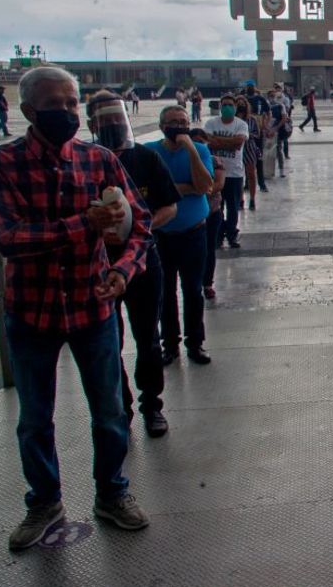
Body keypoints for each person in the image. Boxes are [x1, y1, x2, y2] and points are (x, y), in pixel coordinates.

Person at [0, 67, 152, 549]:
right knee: (35, 416)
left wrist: (122, 272)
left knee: (110, 411)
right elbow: (11, 240)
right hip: (31, 312)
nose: (69, 113)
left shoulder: (98, 160)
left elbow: (139, 228)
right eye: (57, 104)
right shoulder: (1, 164)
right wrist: (84, 223)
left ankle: (112, 493)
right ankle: (44, 501)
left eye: (73, 103)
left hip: (91, 306)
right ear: (30, 111)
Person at [88, 92, 178, 436]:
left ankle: (151, 404)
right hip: (100, 264)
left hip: (142, 260)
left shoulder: (146, 158)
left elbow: (170, 204)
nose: (112, 126)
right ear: (92, 125)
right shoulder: (86, 162)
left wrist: (137, 228)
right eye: (104, 121)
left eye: (116, 119)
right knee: (108, 340)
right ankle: (119, 406)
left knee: (147, 338)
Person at [147, 105, 215, 365]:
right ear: (162, 125)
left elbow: (204, 185)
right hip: (162, 235)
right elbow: (149, 192)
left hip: (193, 233)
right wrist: (185, 189)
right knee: (165, 291)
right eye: (172, 122)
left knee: (193, 290)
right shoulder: (151, 152)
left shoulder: (199, 150)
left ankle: (195, 343)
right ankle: (170, 344)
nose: (177, 126)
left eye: (182, 122)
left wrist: (190, 150)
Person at [204, 93, 249, 248]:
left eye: (231, 105)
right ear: (220, 107)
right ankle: (218, 234)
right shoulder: (211, 123)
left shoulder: (241, 124)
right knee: (217, 207)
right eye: (225, 105)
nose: (228, 108)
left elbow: (238, 144)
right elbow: (208, 143)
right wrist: (229, 142)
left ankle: (231, 234)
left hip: (234, 173)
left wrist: (218, 141)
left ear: (235, 107)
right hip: (215, 173)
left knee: (233, 207)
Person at [191, 128, 226, 300]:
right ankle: (195, 282)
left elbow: (217, 184)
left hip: (211, 212)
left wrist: (196, 190)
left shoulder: (214, 160)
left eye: (200, 141)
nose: (197, 145)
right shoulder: (184, 161)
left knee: (209, 249)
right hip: (192, 216)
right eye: (193, 141)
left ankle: (207, 283)